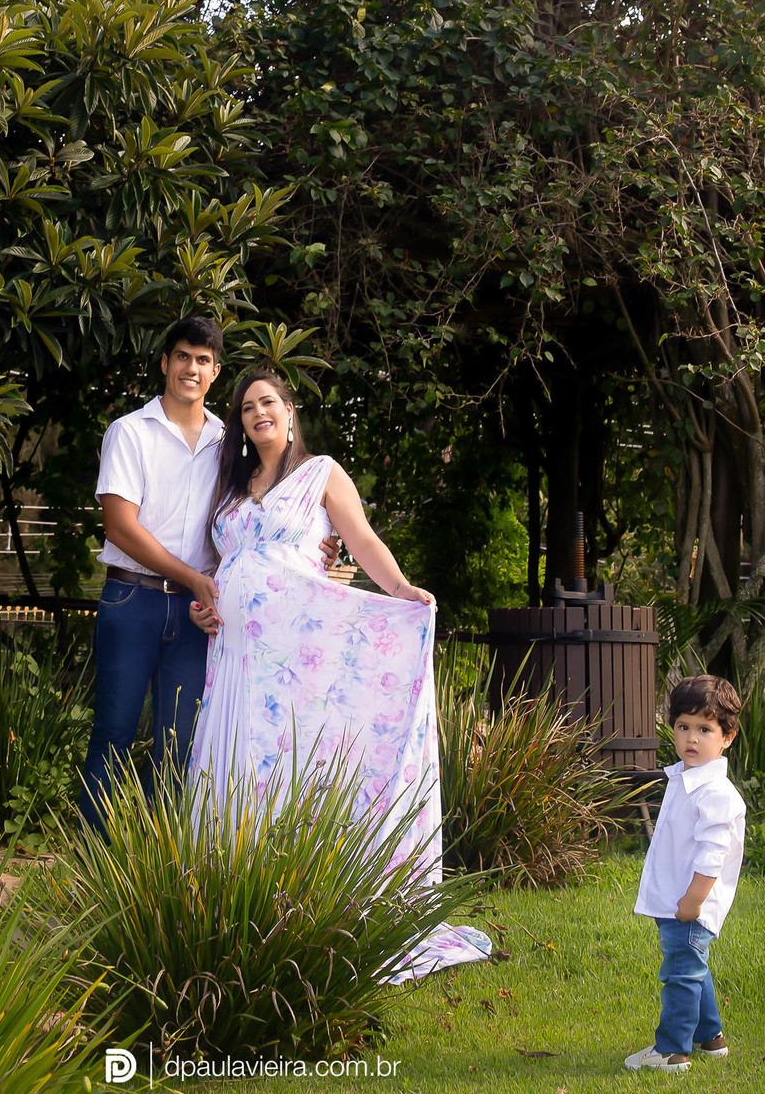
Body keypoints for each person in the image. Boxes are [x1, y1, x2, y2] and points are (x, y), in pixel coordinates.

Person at [187, 368, 491, 977]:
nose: (258, 413)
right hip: (238, 656)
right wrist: (206, 604)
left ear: (291, 410)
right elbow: (224, 567)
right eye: (247, 408)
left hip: (298, 656)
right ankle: (224, 901)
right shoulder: (229, 490)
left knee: (291, 761)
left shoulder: (319, 473)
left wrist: (402, 588)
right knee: (236, 760)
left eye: (269, 402)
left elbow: (363, 538)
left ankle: (303, 897)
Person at [79, 317, 339, 831]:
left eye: (202, 360)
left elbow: (258, 513)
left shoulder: (230, 441)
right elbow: (120, 527)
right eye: (182, 356)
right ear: (165, 363)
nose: (191, 368)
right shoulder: (130, 432)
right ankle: (94, 863)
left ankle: (164, 863)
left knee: (180, 743)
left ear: (215, 372)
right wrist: (196, 578)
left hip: (201, 615)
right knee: (114, 730)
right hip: (134, 600)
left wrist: (314, 542)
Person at [625, 674, 746, 1073]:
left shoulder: (716, 794)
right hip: (677, 898)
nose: (692, 739)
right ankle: (711, 1038)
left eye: (704, 730)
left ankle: (672, 1051)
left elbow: (713, 855)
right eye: (683, 727)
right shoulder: (684, 777)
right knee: (693, 965)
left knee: (680, 972)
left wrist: (692, 902)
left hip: (690, 903)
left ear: (727, 737)